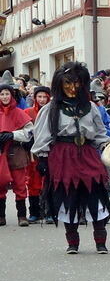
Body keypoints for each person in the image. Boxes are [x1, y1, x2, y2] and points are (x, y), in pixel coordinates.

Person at [32, 63, 110, 254]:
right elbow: (42, 135)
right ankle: (72, 243)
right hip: (63, 155)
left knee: (95, 194)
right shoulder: (51, 109)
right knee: (68, 196)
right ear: (60, 84)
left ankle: (101, 242)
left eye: (76, 83)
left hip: (87, 154)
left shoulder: (91, 107)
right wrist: (42, 159)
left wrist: (108, 147)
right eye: (67, 83)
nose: (72, 87)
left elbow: (100, 134)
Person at [0, 82, 34, 227]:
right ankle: (1, 216)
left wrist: (13, 134)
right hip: (1, 152)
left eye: (7, 94)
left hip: (16, 151)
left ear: (12, 95)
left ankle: (22, 215)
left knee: (20, 184)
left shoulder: (19, 112)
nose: (4, 97)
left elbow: (29, 132)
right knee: (0, 184)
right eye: (2, 94)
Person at [24, 85, 50, 224]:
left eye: (45, 97)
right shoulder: (27, 112)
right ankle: (34, 212)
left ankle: (50, 212)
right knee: (33, 181)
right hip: (32, 152)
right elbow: (23, 129)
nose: (42, 99)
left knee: (49, 180)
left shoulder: (53, 111)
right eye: (39, 96)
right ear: (35, 98)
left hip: (50, 151)